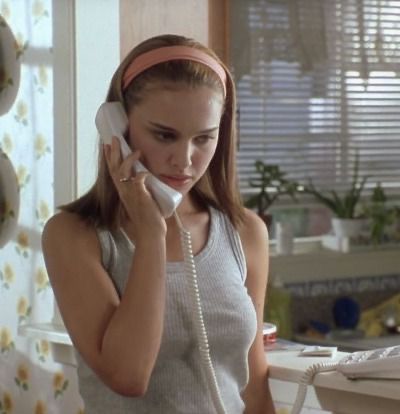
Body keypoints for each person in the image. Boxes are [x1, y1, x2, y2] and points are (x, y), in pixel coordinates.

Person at [42, 34, 276, 414]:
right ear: (117, 126)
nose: (184, 160)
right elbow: (128, 375)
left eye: (204, 138)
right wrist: (153, 233)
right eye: (164, 135)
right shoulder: (73, 236)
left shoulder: (245, 232)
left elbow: (253, 382)